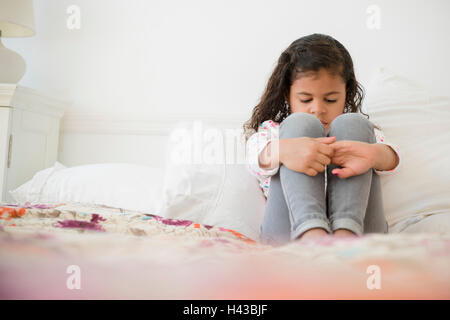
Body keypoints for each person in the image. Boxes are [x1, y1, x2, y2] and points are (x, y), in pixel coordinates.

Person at [243, 34, 401, 246]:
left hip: (361, 234)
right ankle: (312, 235)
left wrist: (374, 155)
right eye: (306, 99)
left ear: (347, 94)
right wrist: (283, 150)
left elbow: (392, 159)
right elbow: (253, 157)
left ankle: (345, 235)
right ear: (287, 95)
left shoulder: (360, 134)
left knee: (353, 124)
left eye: (331, 99)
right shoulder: (274, 131)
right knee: (299, 125)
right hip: (287, 236)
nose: (318, 108)